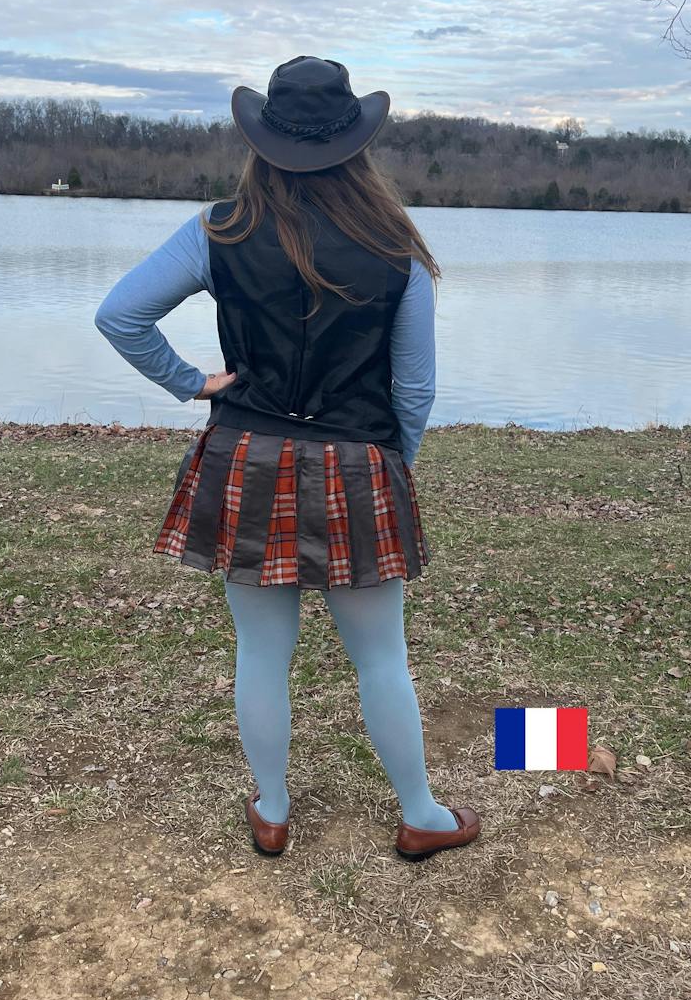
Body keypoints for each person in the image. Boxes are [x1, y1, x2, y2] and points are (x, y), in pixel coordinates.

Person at [94, 55, 480, 863]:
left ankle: (272, 809)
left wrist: (191, 382)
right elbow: (414, 388)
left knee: (262, 651)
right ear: (356, 146)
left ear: (262, 144)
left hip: (248, 456)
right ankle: (420, 813)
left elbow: (121, 314)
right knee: (382, 656)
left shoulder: (219, 230)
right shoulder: (397, 248)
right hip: (359, 460)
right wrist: (391, 467)